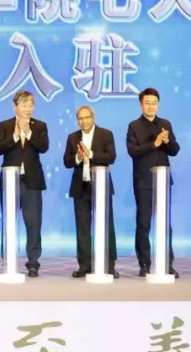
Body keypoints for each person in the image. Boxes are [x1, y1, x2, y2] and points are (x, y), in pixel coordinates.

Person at [126, 87, 181, 277]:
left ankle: (167, 263)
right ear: (141, 105)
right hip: (143, 181)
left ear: (158, 104)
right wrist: (154, 144)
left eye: (154, 103)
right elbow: (133, 151)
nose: (151, 106)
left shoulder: (165, 124)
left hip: (163, 181)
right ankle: (144, 263)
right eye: (147, 103)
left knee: (166, 224)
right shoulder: (134, 126)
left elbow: (175, 150)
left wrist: (166, 142)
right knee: (143, 224)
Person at [0, 90, 49, 277]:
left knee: (33, 223)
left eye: (31, 105)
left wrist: (29, 133)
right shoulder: (4, 125)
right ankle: (8, 260)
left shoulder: (40, 126)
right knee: (9, 222)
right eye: (24, 105)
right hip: (10, 181)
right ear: (15, 106)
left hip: (32, 181)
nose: (28, 109)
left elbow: (44, 147)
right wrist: (16, 136)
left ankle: (33, 263)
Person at [63, 105, 117, 277]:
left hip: (101, 186)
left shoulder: (106, 134)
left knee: (106, 226)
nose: (84, 121)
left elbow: (111, 157)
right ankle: (85, 265)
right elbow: (67, 162)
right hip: (81, 187)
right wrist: (78, 157)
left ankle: (109, 265)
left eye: (87, 117)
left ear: (93, 117)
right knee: (83, 228)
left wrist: (91, 154)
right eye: (80, 118)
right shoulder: (73, 137)